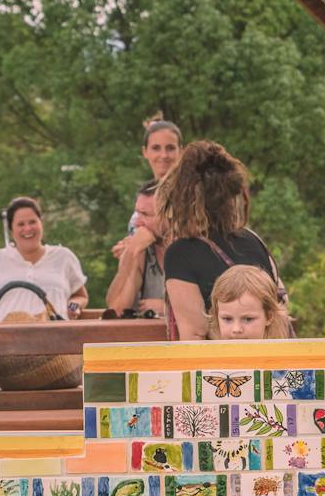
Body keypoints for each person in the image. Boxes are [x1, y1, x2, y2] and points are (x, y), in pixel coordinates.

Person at [156, 140, 280, 340]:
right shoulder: (253, 240)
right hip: (269, 363)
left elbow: (194, 335)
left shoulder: (180, 254)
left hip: (224, 369)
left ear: (181, 196)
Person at [105, 119, 181, 316]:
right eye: (156, 148)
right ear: (145, 152)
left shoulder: (196, 202)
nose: (163, 155)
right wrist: (129, 250)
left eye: (170, 148)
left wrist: (167, 307)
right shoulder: (143, 204)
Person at [0, 196, 88, 321]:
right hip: (4, 337)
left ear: (41, 223)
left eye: (32, 222)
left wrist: (74, 306)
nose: (27, 229)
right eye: (21, 224)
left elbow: (80, 296)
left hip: (54, 336)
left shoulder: (63, 257)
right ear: (11, 230)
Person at [104, 182, 167, 318]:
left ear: (170, 215)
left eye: (145, 214)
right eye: (138, 213)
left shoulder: (193, 249)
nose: (138, 223)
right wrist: (131, 252)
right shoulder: (141, 250)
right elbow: (117, 309)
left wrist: (166, 307)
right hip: (147, 337)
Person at [208, 264, 289, 339]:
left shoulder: (282, 353)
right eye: (227, 319)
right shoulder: (211, 354)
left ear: (268, 316)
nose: (236, 329)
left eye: (248, 319)